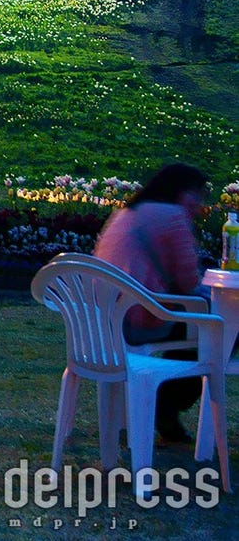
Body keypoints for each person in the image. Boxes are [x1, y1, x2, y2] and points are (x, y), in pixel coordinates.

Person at [94, 163, 209, 444]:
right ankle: (165, 402)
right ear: (181, 192)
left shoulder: (127, 213)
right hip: (141, 317)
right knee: (221, 328)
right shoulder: (172, 216)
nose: (201, 204)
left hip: (104, 319)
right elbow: (187, 282)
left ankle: (165, 404)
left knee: (203, 328)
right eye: (197, 194)